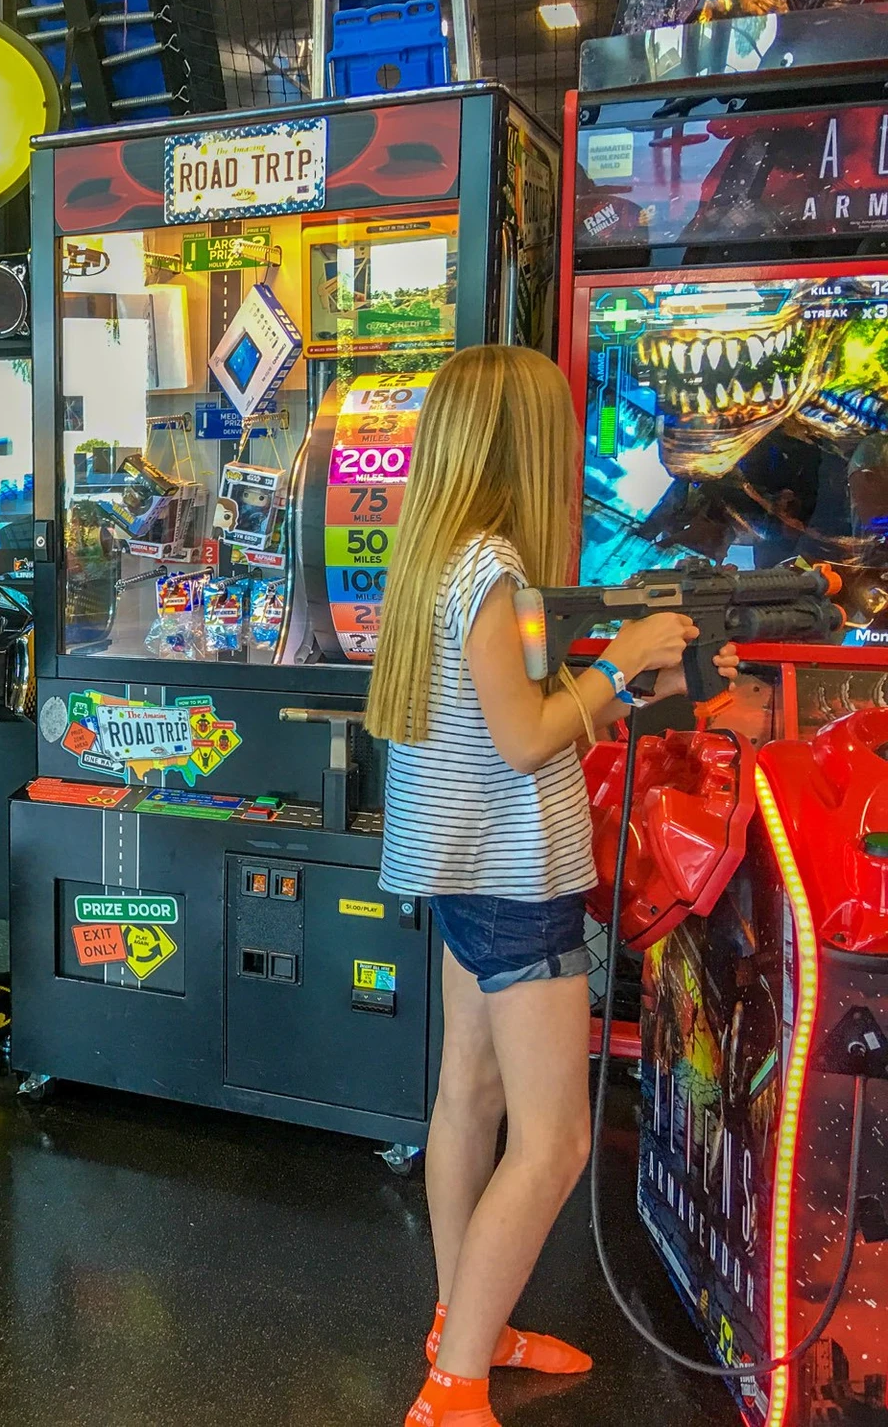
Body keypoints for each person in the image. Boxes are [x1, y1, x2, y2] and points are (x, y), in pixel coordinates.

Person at [364, 345, 737, 1426]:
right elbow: (530, 739)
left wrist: (617, 687)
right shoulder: (492, 573)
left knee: (467, 1100)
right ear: (522, 442)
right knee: (558, 1140)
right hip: (511, 882)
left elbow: (518, 714)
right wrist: (622, 667)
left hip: (463, 872)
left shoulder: (442, 556)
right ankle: (452, 1389)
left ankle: (462, 1325)